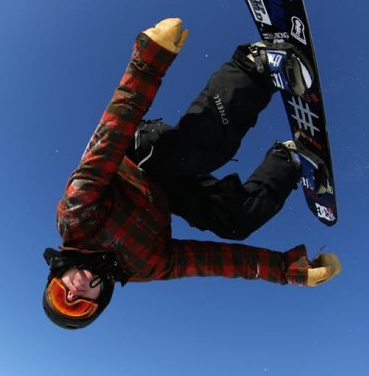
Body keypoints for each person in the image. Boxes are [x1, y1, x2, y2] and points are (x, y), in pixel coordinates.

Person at [43, 18, 341, 329]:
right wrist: (286, 270)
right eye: (79, 306)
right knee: (236, 222)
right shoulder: (145, 266)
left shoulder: (76, 219)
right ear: (101, 301)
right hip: (164, 191)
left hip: (135, 157)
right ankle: (289, 161)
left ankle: (255, 67)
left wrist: (147, 63)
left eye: (61, 294)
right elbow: (212, 261)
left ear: (55, 275)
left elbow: (109, 139)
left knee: (197, 153)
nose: (75, 292)